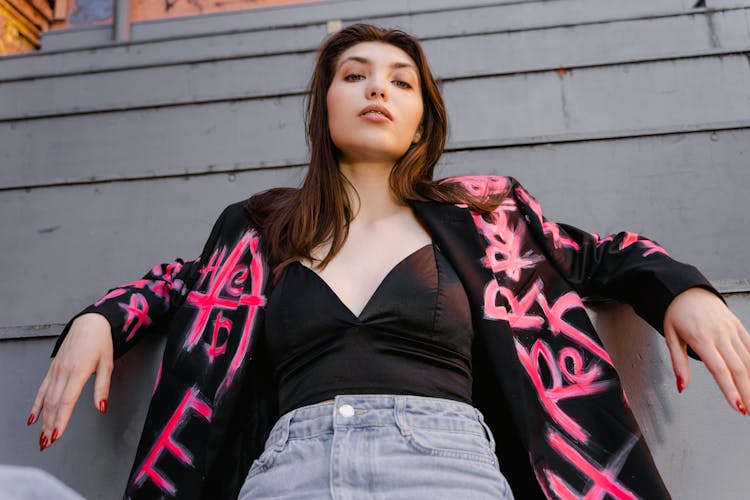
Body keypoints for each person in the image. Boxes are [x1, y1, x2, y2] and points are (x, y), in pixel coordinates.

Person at [28, 23, 749, 500]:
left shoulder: (488, 217)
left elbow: (603, 256)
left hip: (447, 467)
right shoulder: (257, 228)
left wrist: (684, 292)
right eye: (356, 74)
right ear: (325, 105)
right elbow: (179, 285)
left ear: (421, 117)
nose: (378, 88)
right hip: (288, 471)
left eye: (402, 81)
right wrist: (98, 321)